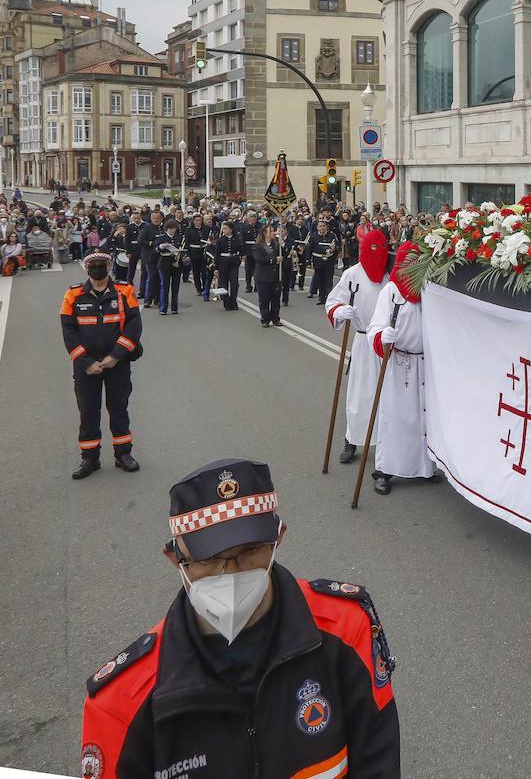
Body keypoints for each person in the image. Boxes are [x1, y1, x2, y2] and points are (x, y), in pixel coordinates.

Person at [78, 459, 401, 778]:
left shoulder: (345, 628)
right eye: (210, 559)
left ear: (278, 538)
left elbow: (378, 759)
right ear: (175, 558)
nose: (231, 573)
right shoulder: (121, 701)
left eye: (250, 551)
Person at [61, 250, 142, 479]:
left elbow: (134, 326)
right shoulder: (73, 294)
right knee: (88, 412)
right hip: (86, 367)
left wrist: (116, 355)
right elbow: (68, 331)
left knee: (118, 409)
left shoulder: (124, 290)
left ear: (109, 266)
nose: (98, 267)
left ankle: (123, 454)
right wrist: (86, 363)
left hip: (117, 363)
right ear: (87, 268)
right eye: (93, 264)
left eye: (102, 263)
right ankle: (90, 458)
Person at [366, 241, 437, 493]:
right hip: (399, 363)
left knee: (423, 418)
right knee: (394, 417)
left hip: (425, 363)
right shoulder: (391, 292)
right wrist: (381, 336)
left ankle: (424, 468)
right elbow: (375, 327)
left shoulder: (430, 290)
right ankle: (385, 469)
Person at [325, 228, 389, 464]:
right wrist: (340, 310)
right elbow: (333, 301)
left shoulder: (390, 276)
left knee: (387, 396)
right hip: (364, 342)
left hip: (385, 343)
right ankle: (352, 440)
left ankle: (387, 442)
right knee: (359, 395)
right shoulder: (352, 275)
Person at [253, 225, 285, 328]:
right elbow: (259, 259)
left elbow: (284, 255)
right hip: (263, 276)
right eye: (271, 231)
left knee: (276, 298)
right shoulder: (258, 246)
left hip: (275, 276)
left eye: (273, 230)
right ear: (264, 233)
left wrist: (283, 245)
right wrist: (274, 260)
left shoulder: (276, 245)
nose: (273, 232)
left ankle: (275, 318)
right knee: (264, 299)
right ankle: (265, 319)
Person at [154, 218, 185, 316]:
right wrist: (161, 247)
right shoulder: (161, 238)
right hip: (164, 263)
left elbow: (182, 249)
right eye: (170, 228)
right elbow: (156, 249)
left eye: (174, 228)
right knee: (164, 286)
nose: (173, 230)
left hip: (177, 263)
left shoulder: (179, 238)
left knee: (175, 287)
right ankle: (163, 308)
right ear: (166, 229)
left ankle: (174, 308)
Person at [310, 217, 341, 305]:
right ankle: (321, 297)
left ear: (326, 227)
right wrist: (308, 261)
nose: (322, 228)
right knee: (320, 280)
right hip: (318, 261)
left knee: (328, 280)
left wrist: (334, 252)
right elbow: (310, 249)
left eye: (324, 226)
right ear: (317, 227)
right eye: (320, 226)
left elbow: (336, 247)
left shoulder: (332, 236)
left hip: (329, 261)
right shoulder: (314, 236)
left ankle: (329, 296)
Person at [211, 221, 241, 310]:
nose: (224, 230)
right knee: (223, 284)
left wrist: (239, 257)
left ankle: (233, 301)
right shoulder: (220, 240)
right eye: (223, 228)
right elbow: (217, 254)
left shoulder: (236, 238)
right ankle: (226, 302)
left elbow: (241, 249)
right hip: (223, 263)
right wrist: (216, 267)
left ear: (231, 229)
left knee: (234, 283)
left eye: (226, 228)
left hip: (234, 262)